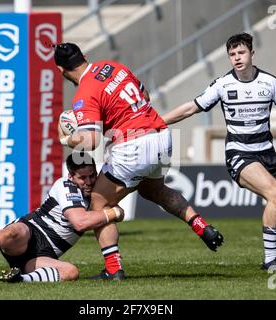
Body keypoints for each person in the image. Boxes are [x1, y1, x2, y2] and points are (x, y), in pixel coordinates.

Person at [54, 43, 224, 280]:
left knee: (98, 204)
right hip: (162, 137)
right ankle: (200, 225)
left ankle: (113, 270)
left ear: (61, 70)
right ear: (84, 56)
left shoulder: (84, 94)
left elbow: (90, 141)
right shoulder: (113, 67)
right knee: (154, 190)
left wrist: (67, 139)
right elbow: (144, 95)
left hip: (133, 144)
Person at [161, 32, 276, 270]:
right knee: (274, 194)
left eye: (241, 52)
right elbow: (191, 108)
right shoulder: (223, 84)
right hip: (239, 154)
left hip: (268, 154)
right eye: (232, 54)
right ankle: (270, 260)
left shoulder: (269, 82)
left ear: (252, 53)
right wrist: (158, 121)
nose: (237, 58)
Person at [0, 153, 124, 283]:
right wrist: (114, 212)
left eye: (92, 175)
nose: (89, 182)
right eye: (83, 178)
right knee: (13, 231)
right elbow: (80, 222)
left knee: (71, 272)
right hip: (32, 232)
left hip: (45, 254)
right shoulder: (66, 186)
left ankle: (19, 278)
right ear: (71, 176)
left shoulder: (96, 189)